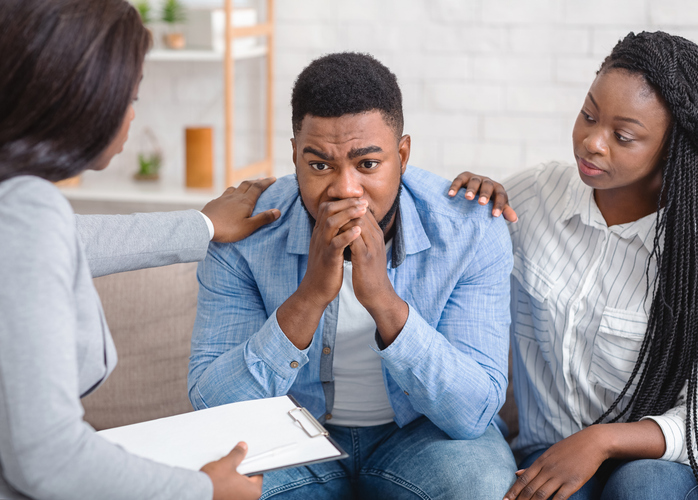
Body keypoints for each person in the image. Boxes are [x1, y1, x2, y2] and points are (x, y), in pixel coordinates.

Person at [188, 52, 517, 500]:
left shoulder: (469, 229)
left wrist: (383, 299)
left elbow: (472, 413)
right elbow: (211, 407)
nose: (345, 189)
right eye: (319, 165)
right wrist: (308, 298)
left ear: (401, 154)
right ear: (295, 156)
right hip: (289, 439)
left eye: (367, 164)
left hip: (422, 438)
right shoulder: (245, 230)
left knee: (478, 485)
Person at [0, 1, 280, 499]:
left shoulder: (21, 210)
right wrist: (202, 490)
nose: (134, 115)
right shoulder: (26, 211)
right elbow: (48, 458)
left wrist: (201, 226)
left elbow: (67, 240)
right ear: (82, 101)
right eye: (130, 97)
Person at [449, 31, 698, 500]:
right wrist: (277, 191)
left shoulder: (689, 255)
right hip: (542, 453)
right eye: (588, 115)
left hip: (651, 463)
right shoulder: (534, 196)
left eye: (622, 136)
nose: (592, 142)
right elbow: (418, 222)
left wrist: (602, 441)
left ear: (673, 150)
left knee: (646, 487)